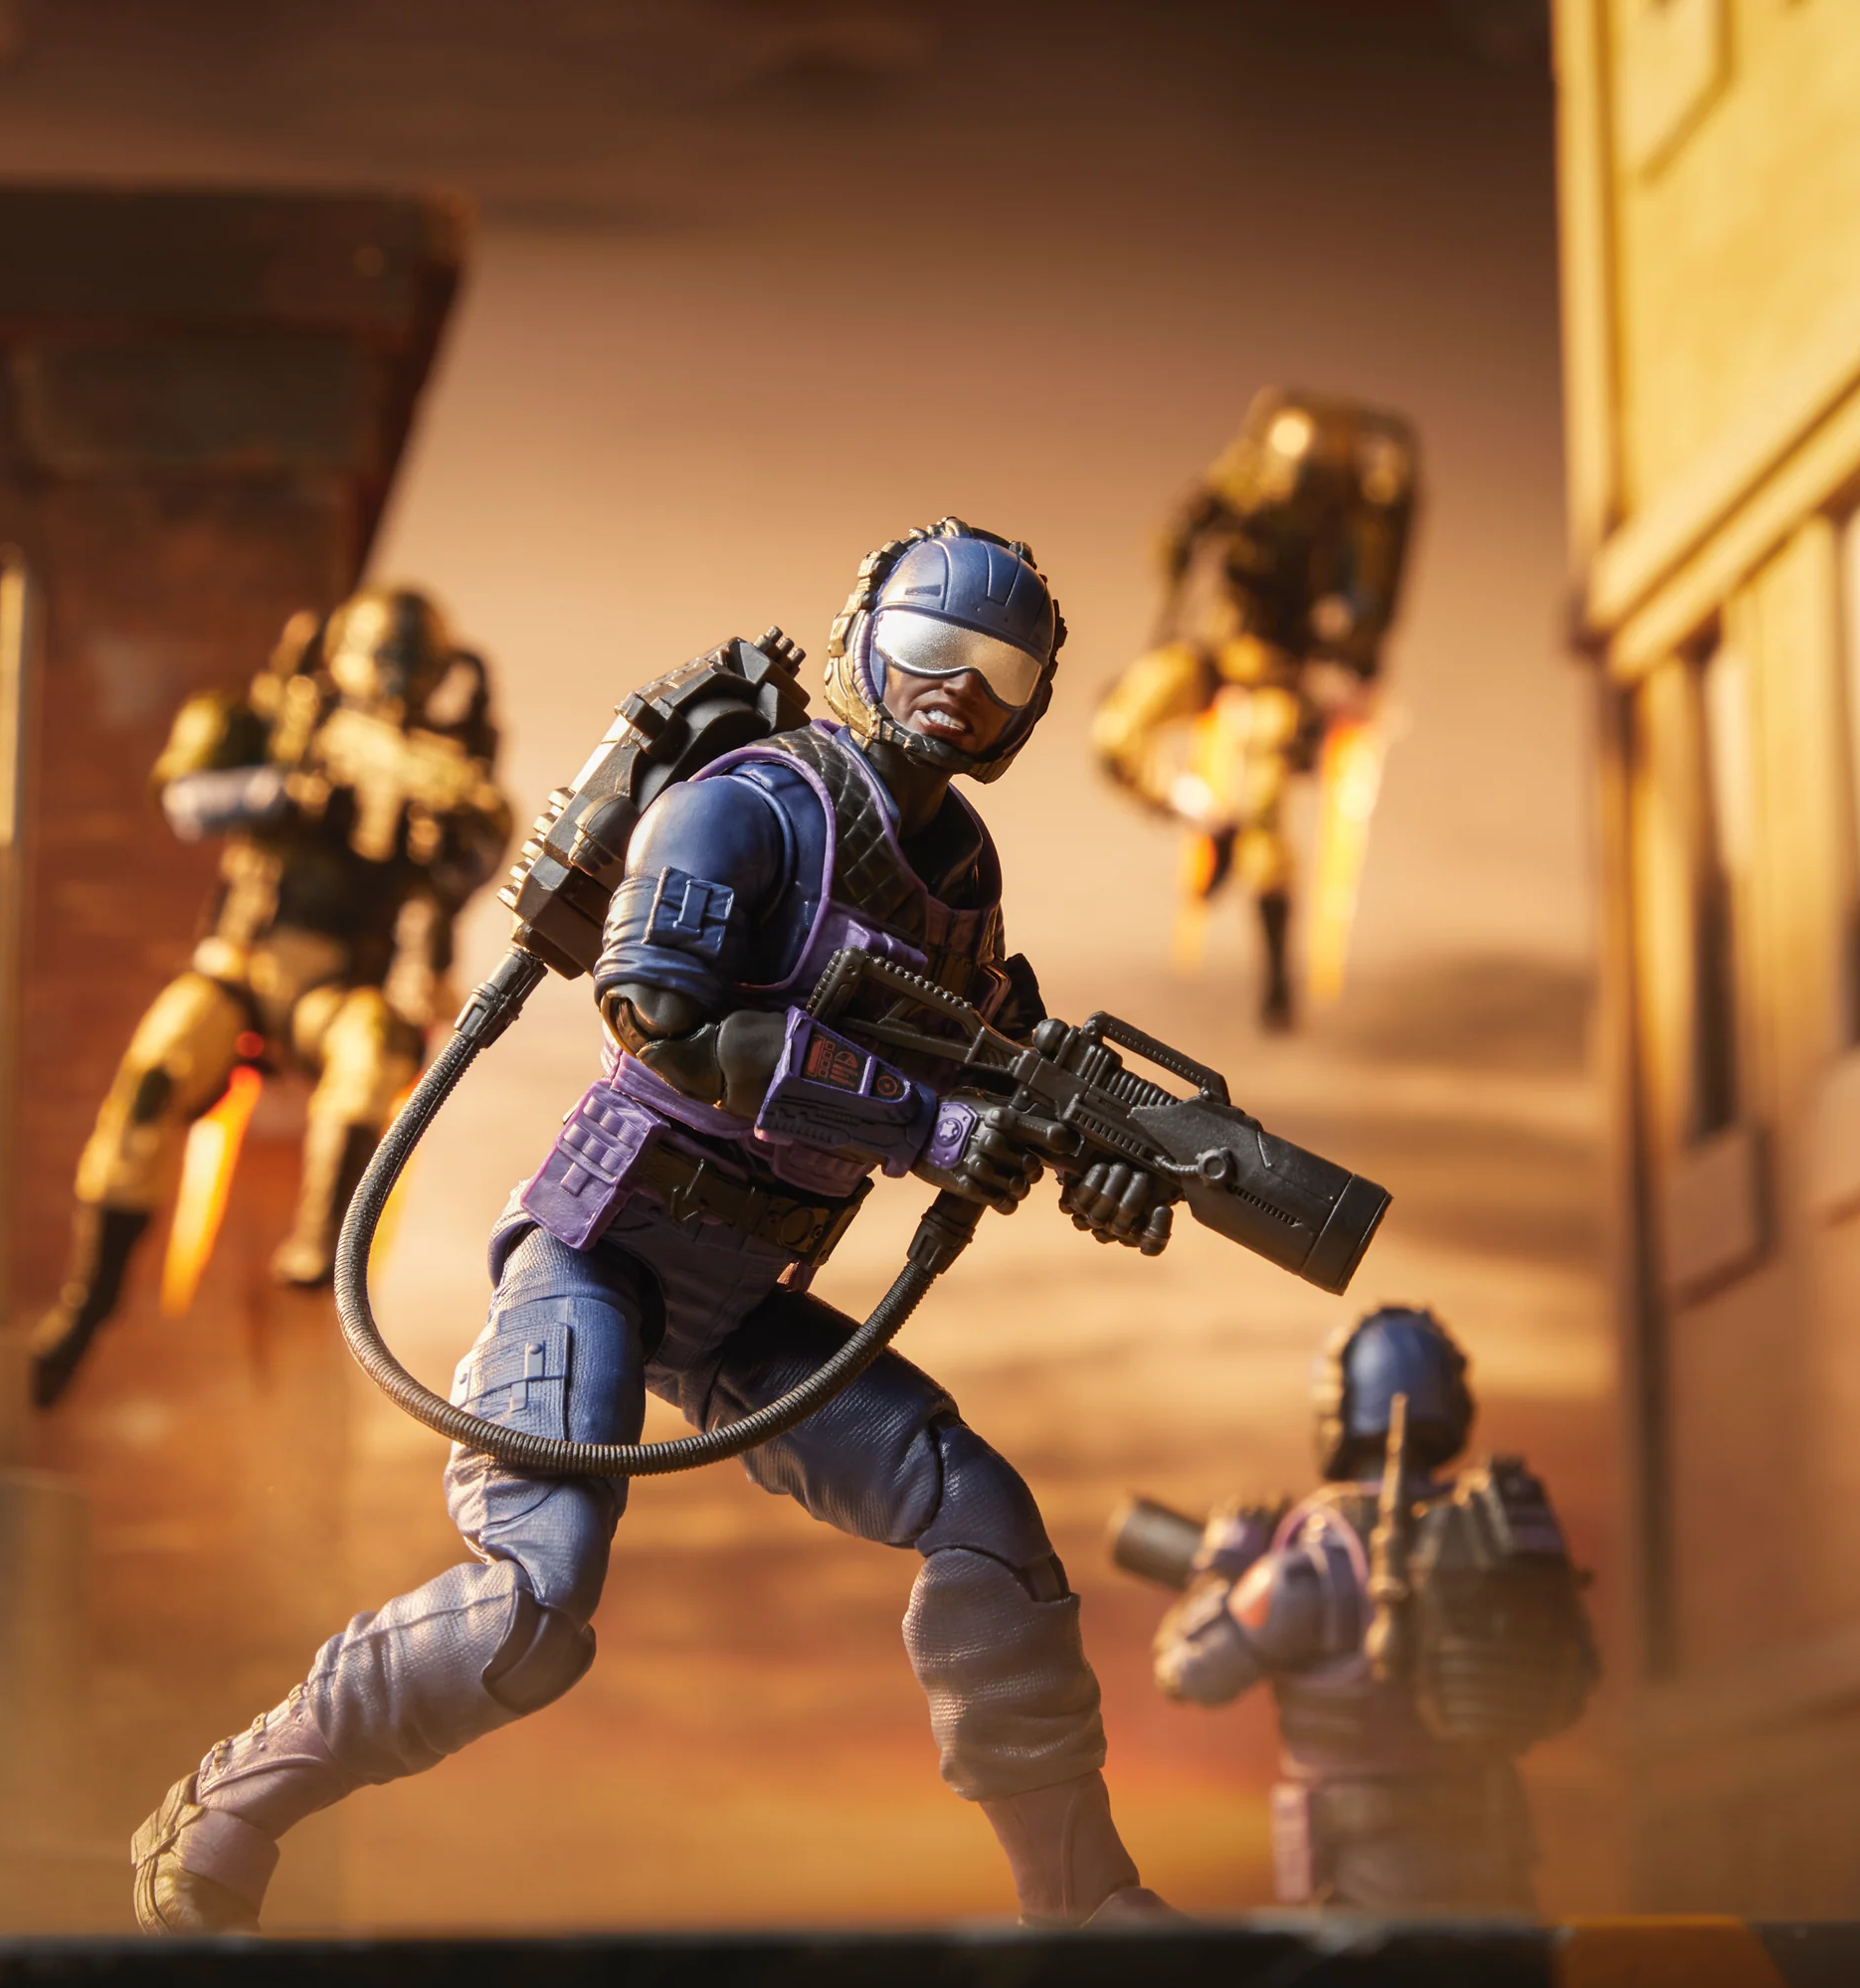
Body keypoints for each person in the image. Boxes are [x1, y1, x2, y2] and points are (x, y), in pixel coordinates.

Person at [129, 519, 1177, 1933]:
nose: (959, 693)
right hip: (603, 1250)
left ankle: (1084, 1903)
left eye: (1002, 671)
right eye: (933, 649)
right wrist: (927, 1128)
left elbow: (988, 1057)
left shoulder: (960, 876)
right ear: (865, 641)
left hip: (747, 1297)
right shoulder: (751, 805)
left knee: (985, 1522)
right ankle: (230, 1804)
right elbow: (663, 1017)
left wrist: (1095, 1154)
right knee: (532, 1604)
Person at [32, 586, 513, 1406]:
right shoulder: (276, 720)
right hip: (243, 966)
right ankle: (87, 1303)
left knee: (372, 1056)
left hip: (342, 986)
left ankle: (323, 1247)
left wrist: (439, 828)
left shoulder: (444, 769)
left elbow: (475, 863)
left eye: (412, 667)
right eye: (381, 659)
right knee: (153, 1075)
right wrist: (287, 790)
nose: (392, 682)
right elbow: (185, 798)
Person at [1147, 1306, 1596, 1910]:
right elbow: (1576, 1678)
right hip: (1495, 1871)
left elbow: (1189, 1672)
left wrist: (1224, 1564)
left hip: (1365, 1887)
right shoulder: (1500, 1541)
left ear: (1339, 1406)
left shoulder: (1310, 1567)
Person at [1092, 389, 1418, 1029]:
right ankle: (1210, 820)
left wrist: (1346, 650)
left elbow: (1367, 611)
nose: (1285, 493)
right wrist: (1189, 527)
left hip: (1280, 675)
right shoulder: (1238, 493)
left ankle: (1276, 977)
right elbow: (1172, 552)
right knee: (1119, 737)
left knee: (1267, 823)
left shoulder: (1348, 534)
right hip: (1211, 654)